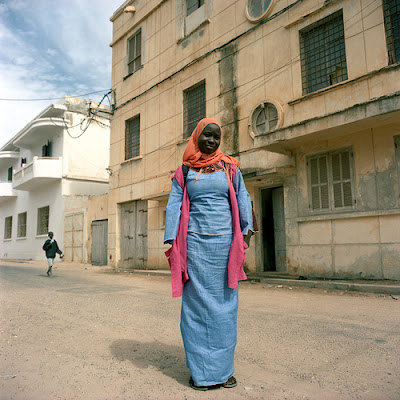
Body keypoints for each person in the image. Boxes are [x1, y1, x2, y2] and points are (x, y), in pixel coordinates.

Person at [164, 118, 253, 390]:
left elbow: (242, 197)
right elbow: (174, 203)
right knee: (196, 309)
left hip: (225, 248)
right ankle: (201, 374)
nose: (211, 141)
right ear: (196, 137)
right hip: (194, 247)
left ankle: (223, 372)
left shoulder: (230, 167)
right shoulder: (185, 170)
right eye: (207, 135)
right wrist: (171, 237)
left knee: (225, 309)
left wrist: (246, 230)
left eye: (216, 137)